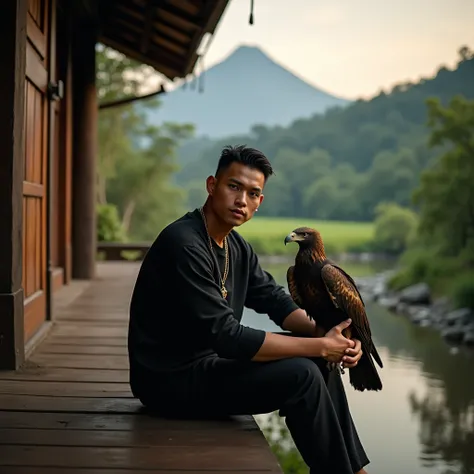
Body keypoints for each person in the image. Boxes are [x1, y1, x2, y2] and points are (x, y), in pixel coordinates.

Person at [128, 145, 370, 474]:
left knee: (315, 359)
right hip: (169, 382)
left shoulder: (236, 246)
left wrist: (328, 336)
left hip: (209, 367)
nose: (242, 200)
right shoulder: (184, 244)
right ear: (212, 186)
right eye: (234, 187)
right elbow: (227, 337)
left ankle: (353, 470)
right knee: (302, 374)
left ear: (260, 202)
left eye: (253, 193)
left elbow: (274, 300)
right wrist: (320, 346)